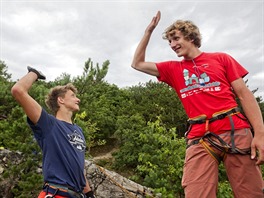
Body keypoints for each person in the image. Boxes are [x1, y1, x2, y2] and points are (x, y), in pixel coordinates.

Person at [131, 11, 264, 197]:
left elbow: (244, 95)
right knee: (196, 192)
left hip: (234, 130)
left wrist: (260, 134)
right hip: (200, 136)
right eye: (169, 41)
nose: (172, 45)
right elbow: (137, 63)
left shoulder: (221, 59)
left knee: (251, 193)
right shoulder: (172, 69)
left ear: (191, 36)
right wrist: (148, 31)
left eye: (175, 38)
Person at [11, 66, 95, 198]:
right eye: (73, 96)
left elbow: (78, 165)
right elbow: (18, 90)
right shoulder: (48, 124)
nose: (77, 99)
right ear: (60, 100)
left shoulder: (78, 131)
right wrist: (34, 74)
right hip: (56, 193)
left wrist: (89, 193)